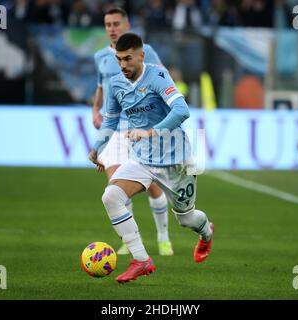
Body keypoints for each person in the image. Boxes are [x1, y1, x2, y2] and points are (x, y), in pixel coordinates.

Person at [88, 33, 214, 283]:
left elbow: (182, 110)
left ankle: (207, 231)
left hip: (176, 161)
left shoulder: (157, 76)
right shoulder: (115, 83)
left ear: (141, 56)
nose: (123, 65)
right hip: (142, 159)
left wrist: (150, 132)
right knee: (111, 196)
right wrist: (97, 148)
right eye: (119, 59)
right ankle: (142, 260)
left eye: (128, 59)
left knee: (186, 218)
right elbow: (111, 119)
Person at [92, 8, 174, 257]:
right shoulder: (101, 57)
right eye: (108, 24)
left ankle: (163, 237)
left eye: (117, 23)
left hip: (140, 126)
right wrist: (95, 109)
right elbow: (101, 86)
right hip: (114, 128)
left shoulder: (145, 52)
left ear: (127, 24)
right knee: (115, 187)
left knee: (152, 187)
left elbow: (161, 79)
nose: (112, 28)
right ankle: (132, 243)